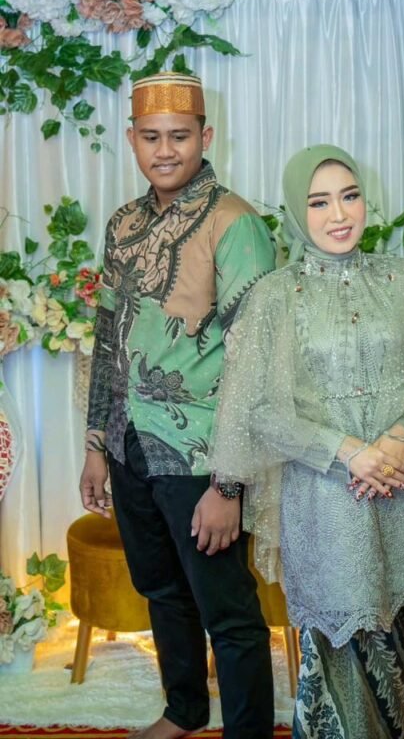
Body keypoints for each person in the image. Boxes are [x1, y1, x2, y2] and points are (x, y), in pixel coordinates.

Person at [208, 144, 404, 739]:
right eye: (319, 202)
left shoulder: (402, 280)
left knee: (398, 648)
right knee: (337, 650)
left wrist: (397, 441)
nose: (340, 214)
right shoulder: (274, 297)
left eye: (349, 197)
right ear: (296, 212)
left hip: (399, 489)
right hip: (326, 500)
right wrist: (351, 452)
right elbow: (260, 412)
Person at [79, 71, 275, 739]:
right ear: (132, 139)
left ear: (205, 137)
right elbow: (108, 338)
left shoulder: (235, 223)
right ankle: (185, 711)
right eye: (152, 136)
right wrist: (97, 445)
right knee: (162, 591)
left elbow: (256, 364)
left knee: (230, 614)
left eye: (180, 136)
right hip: (130, 443)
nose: (165, 150)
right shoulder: (124, 223)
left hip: (201, 455)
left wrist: (229, 484)